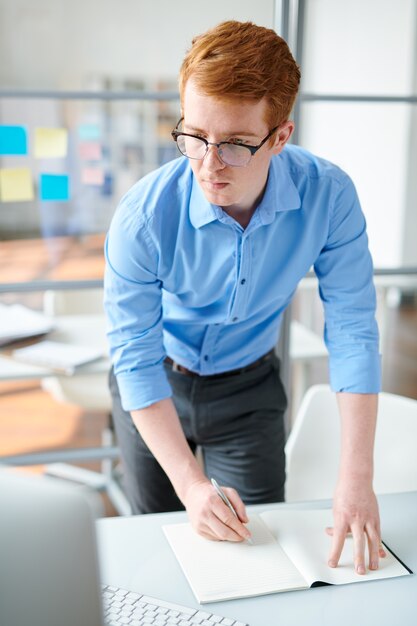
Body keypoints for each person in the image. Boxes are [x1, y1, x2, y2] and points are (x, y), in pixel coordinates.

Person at [104, 20, 385, 575]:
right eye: (194, 136)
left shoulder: (329, 197)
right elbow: (133, 357)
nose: (208, 165)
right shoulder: (142, 218)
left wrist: (357, 479)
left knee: (261, 555)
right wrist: (190, 484)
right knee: (160, 558)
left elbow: (352, 329)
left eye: (234, 144)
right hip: (155, 387)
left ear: (280, 137)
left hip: (249, 389)